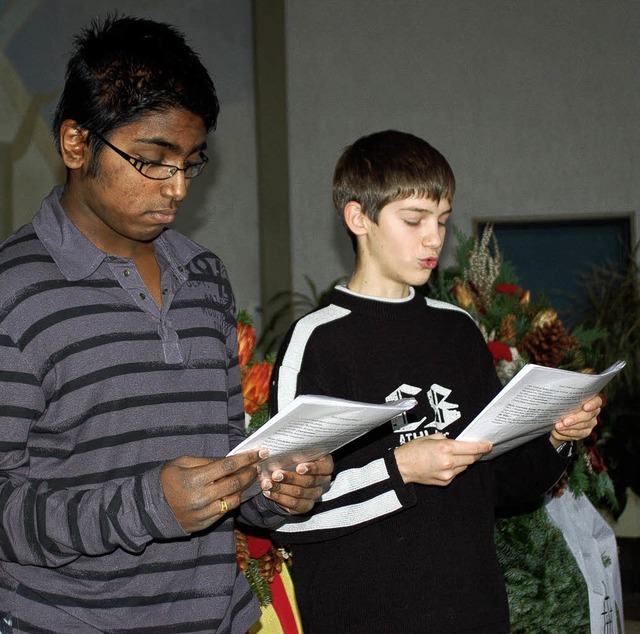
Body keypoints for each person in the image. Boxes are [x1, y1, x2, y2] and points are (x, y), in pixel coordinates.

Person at [0, 15, 331, 634]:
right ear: (76, 144)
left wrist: (273, 491)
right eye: (154, 161)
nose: (177, 189)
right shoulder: (14, 292)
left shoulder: (204, 276)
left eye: (191, 163)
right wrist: (147, 507)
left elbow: (224, 458)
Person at [268, 129, 602, 633]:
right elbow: (289, 513)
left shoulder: (458, 329)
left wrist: (557, 437)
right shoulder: (317, 342)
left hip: (473, 611)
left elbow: (499, 484)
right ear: (358, 217)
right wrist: (400, 468)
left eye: (442, 221)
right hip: (364, 617)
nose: (435, 238)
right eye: (414, 219)